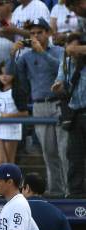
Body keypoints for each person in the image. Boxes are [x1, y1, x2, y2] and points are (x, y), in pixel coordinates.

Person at [9, 18, 67, 196]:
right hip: (39, 106)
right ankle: (56, 189)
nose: (35, 36)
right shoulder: (26, 56)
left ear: (48, 33)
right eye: (32, 33)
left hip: (59, 104)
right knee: (48, 151)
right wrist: (12, 56)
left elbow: (62, 69)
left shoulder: (58, 51)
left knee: (64, 151)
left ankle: (70, 190)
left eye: (39, 32)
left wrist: (42, 53)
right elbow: (11, 76)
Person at [54, 34, 86, 196]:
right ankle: (75, 193)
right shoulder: (65, 63)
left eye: (75, 48)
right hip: (74, 115)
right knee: (74, 156)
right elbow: (59, 81)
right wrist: (58, 87)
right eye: (69, 48)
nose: (72, 52)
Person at [0, 61, 28, 165]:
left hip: (11, 130)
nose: (4, 76)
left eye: (7, 73)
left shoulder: (17, 91)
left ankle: (12, 181)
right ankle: (1, 181)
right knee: (0, 162)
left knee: (8, 163)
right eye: (1, 73)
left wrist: (8, 116)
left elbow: (25, 113)